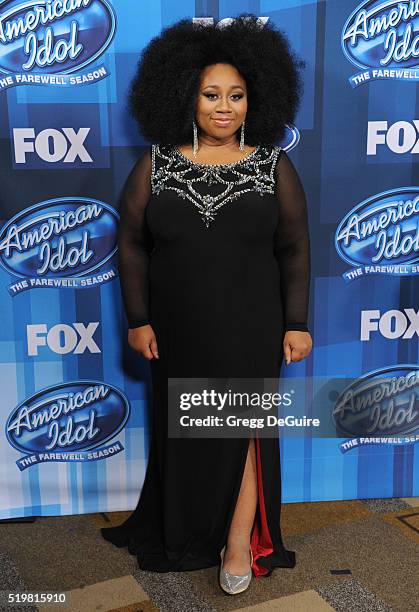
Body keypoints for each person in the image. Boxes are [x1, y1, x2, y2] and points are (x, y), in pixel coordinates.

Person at [101, 15, 313, 595]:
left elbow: (295, 247)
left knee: (239, 426)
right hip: (179, 325)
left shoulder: (273, 166)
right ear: (185, 96)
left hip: (251, 325)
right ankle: (191, 528)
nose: (225, 107)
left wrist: (297, 323)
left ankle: (240, 542)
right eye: (211, 94)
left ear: (256, 99)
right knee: (191, 433)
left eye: (237, 95)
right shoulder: (157, 164)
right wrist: (138, 318)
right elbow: (131, 244)